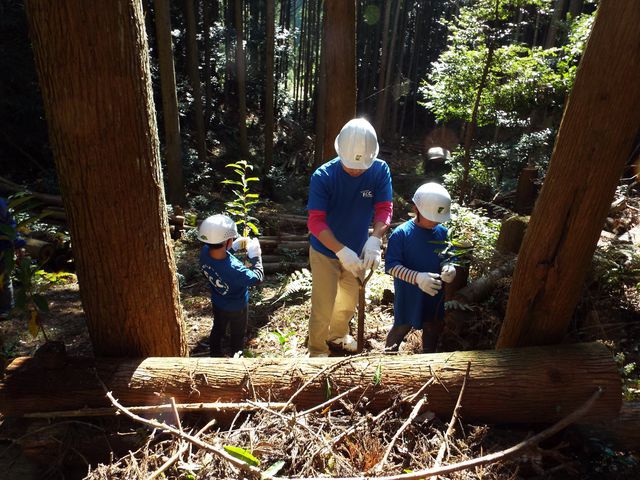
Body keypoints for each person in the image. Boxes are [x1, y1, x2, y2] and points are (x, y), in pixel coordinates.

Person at [306, 118, 393, 357]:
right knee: (323, 305)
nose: (356, 169)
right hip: (325, 251)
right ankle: (317, 351)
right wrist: (340, 251)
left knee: (348, 301)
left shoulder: (379, 170)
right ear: (339, 152)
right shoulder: (324, 176)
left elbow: (384, 207)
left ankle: (337, 336)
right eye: (350, 164)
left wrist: (375, 239)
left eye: (362, 165)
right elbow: (315, 221)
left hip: (360, 248)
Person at [384, 183, 457, 353]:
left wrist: (449, 267)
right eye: (430, 216)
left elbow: (448, 256)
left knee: (432, 327)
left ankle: (428, 360)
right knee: (401, 327)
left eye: (438, 218)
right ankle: (386, 360)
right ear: (415, 209)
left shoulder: (443, 233)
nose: (435, 221)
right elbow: (391, 266)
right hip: (409, 294)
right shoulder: (401, 234)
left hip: (434, 293)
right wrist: (416, 277)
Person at [197, 214, 264, 357]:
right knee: (237, 334)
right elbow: (257, 278)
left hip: (218, 302)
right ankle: (236, 357)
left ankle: (214, 354)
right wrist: (256, 256)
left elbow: (218, 255)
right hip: (237, 307)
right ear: (227, 241)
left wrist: (232, 247)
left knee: (218, 329)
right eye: (232, 239)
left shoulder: (204, 252)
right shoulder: (235, 269)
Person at [1, 197, 26, 318]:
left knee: (4, 278)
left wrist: (18, 244)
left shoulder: (1, 203)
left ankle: (7, 309)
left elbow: (10, 224)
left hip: (3, 247)